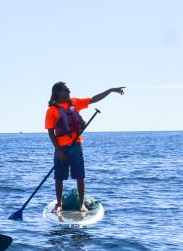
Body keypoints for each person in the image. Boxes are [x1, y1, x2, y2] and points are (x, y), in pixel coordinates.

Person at [45, 82, 125, 213]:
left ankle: (81, 204)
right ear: (58, 92)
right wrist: (58, 150)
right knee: (59, 177)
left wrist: (110, 90)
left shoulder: (74, 103)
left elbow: (94, 99)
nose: (68, 90)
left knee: (80, 176)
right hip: (61, 148)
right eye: (65, 89)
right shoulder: (52, 110)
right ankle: (58, 204)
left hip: (76, 145)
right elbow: (50, 131)